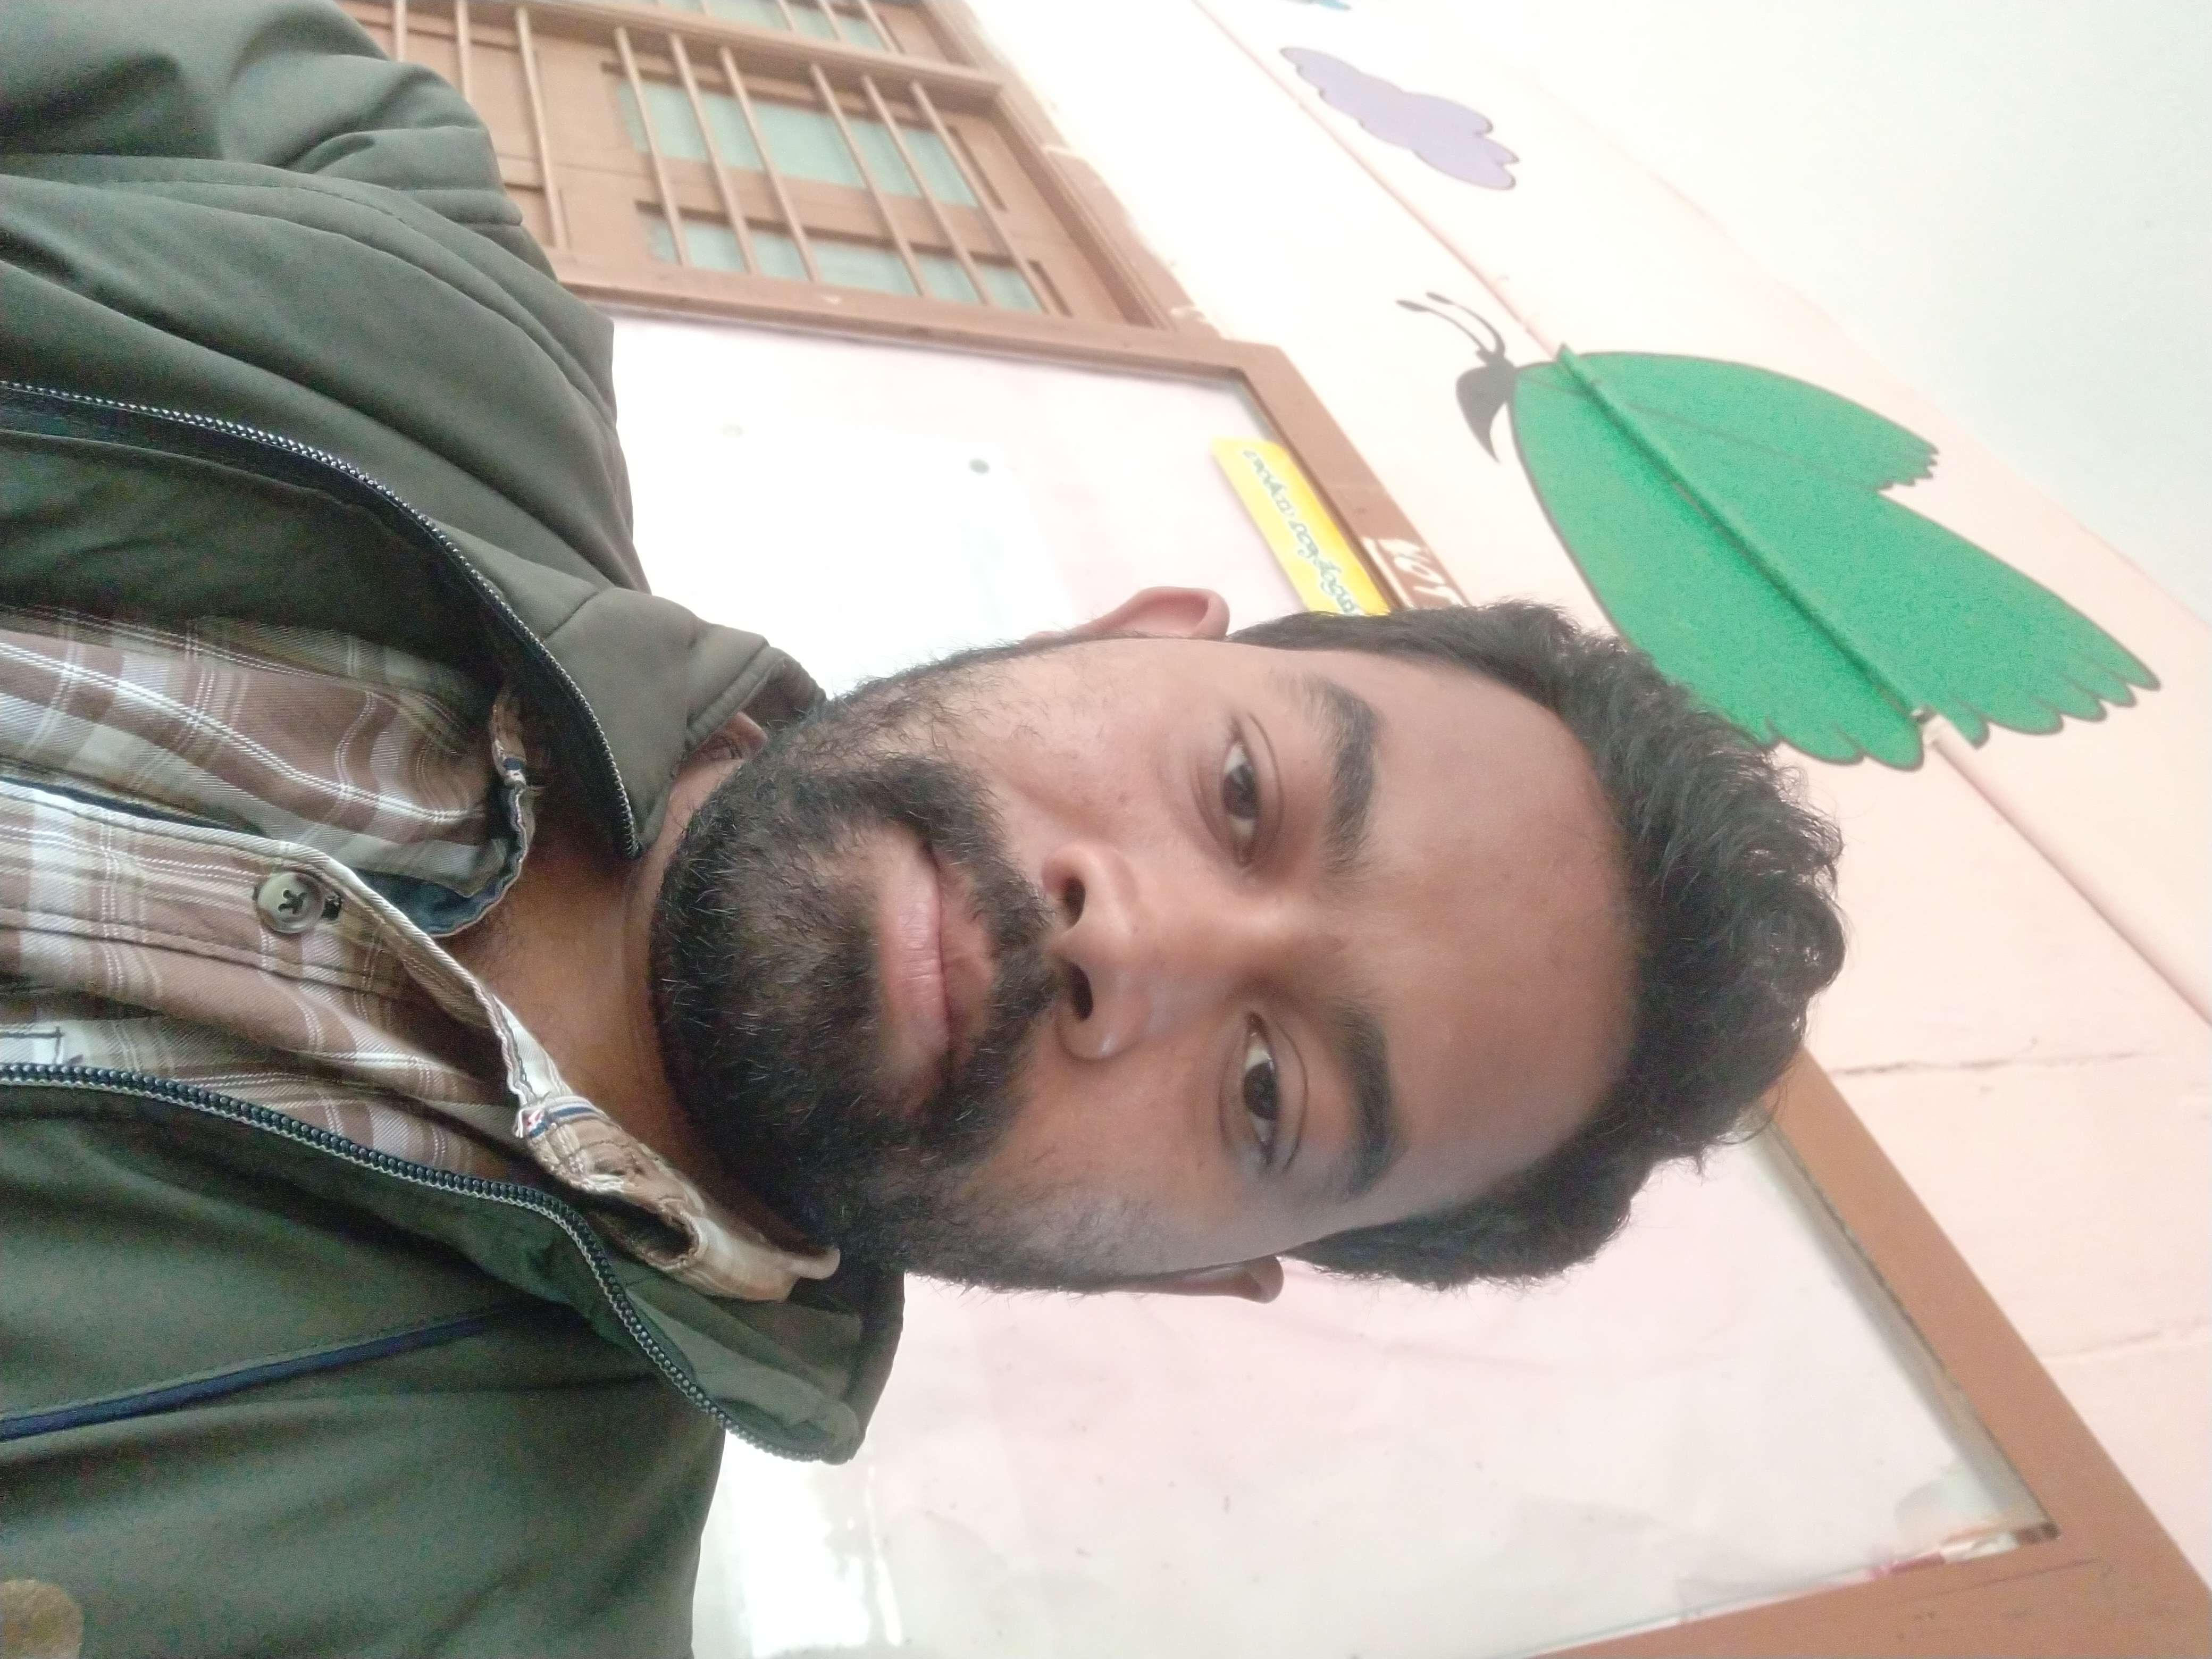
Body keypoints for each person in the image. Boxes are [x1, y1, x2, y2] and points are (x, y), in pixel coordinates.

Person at [0, 2, 1844, 1653]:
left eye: (1267, 1091)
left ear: (1189, 1271)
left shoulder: (482, 1614)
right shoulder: (372, 234)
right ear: (1135, 634)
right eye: (1243, 795)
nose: (1139, 940)